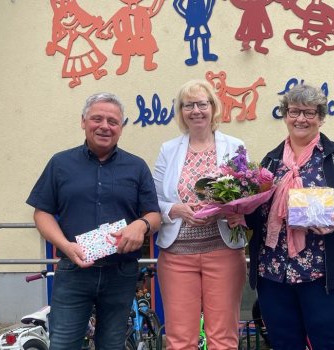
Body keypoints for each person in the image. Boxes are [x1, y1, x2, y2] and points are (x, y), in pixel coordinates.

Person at [26, 92, 161, 350]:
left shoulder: (136, 166)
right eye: (97, 118)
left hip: (120, 273)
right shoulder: (60, 163)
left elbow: (154, 215)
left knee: (112, 345)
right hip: (74, 270)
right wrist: (65, 246)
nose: (104, 126)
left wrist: (141, 225)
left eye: (112, 121)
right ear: (83, 122)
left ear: (121, 127)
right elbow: (41, 213)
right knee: (64, 344)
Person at [246, 84, 334, 350]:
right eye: (294, 111)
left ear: (320, 117)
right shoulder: (270, 163)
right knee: (283, 345)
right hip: (274, 276)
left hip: (323, 276)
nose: (301, 119)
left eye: (309, 112)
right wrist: (239, 215)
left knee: (330, 345)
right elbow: (258, 216)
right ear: (285, 115)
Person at [153, 79, 247, 350]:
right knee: (180, 340)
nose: (196, 110)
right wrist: (175, 209)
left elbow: (246, 193)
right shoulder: (168, 150)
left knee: (224, 339)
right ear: (181, 111)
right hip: (177, 255)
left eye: (202, 104)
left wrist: (227, 208)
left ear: (213, 107)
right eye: (189, 105)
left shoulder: (234, 145)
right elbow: (153, 200)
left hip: (223, 250)